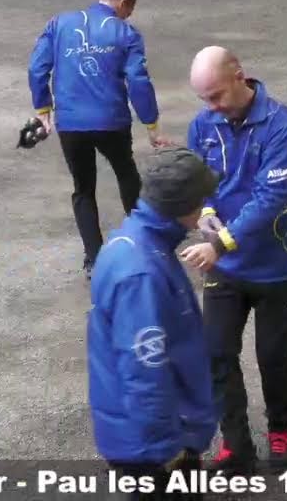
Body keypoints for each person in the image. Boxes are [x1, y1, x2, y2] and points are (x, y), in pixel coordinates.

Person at [182, 47, 287, 475]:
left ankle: (280, 428)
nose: (211, 107)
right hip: (226, 271)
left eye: (216, 95)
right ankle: (236, 444)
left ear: (240, 75)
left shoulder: (281, 126)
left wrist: (219, 244)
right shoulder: (203, 123)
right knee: (216, 353)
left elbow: (271, 198)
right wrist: (205, 213)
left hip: (276, 265)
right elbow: (200, 181)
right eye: (204, 99)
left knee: (272, 355)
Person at [88, 147, 218, 500]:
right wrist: (169, 450)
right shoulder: (142, 273)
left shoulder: (131, 242)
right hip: (153, 450)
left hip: (139, 436)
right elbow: (144, 370)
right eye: (202, 200)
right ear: (183, 206)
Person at [28, 0, 169, 278]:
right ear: (123, 3)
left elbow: (36, 68)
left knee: (83, 188)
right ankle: (141, 243)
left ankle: (93, 258)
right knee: (126, 174)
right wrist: (152, 125)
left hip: (71, 123)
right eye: (129, 11)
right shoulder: (126, 32)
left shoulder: (59, 24)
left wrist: (43, 110)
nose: (128, 17)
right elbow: (138, 81)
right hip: (111, 121)